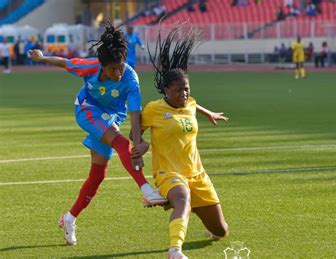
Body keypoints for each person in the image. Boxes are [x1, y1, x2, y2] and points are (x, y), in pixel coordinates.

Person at [28, 21, 167, 246]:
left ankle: (69, 218)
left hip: (111, 117)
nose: (118, 72)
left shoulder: (131, 80)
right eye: (113, 69)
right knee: (121, 144)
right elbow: (65, 63)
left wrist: (139, 142)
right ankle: (147, 190)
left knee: (98, 175)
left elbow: (134, 114)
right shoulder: (90, 67)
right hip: (87, 110)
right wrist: (42, 57)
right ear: (102, 66)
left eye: (120, 66)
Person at [135, 24, 229, 258]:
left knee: (221, 231)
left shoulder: (188, 103)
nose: (184, 94)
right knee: (182, 197)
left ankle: (189, 208)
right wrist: (141, 144)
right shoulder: (154, 109)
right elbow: (136, 129)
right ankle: (174, 250)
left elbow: (192, 105)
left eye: (186, 89)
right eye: (178, 90)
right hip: (168, 172)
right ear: (166, 90)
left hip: (197, 174)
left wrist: (208, 113)